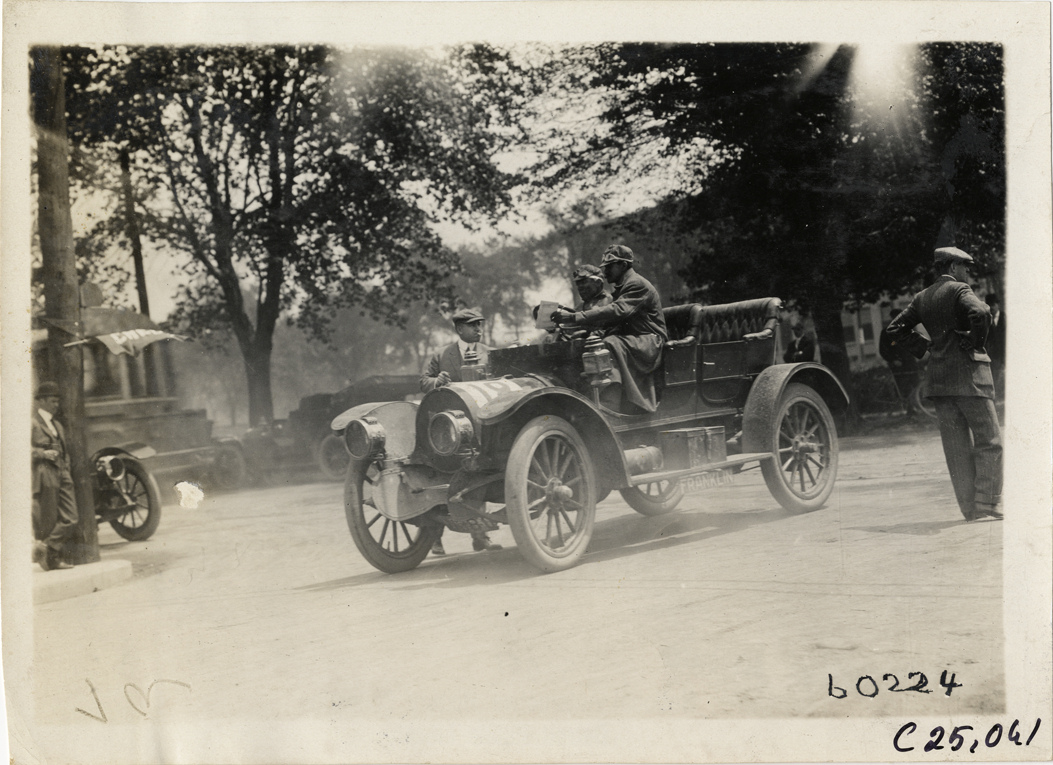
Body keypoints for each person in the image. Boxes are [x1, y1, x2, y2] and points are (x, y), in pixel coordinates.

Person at [885, 246, 1002, 521]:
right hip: (970, 377)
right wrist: (975, 342)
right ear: (952, 268)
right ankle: (987, 503)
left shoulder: (921, 297)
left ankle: (970, 510)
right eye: (965, 267)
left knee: (956, 449)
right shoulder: (960, 290)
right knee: (990, 440)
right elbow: (982, 313)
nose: (968, 273)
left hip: (938, 382)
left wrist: (928, 347)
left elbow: (895, 328)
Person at [418, 308, 502, 555]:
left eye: (480, 325)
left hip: (482, 423)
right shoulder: (442, 355)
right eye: (473, 325)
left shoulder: (491, 354)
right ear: (459, 329)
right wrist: (437, 382)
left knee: (479, 474)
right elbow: (423, 381)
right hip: (449, 428)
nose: (479, 329)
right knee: (442, 476)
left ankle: (480, 537)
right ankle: (434, 539)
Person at [552, 245, 668, 413]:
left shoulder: (636, 284)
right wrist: (584, 331)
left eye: (609, 266)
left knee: (608, 345)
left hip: (650, 341)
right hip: (635, 339)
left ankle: (609, 407)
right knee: (597, 343)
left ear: (623, 265)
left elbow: (616, 311)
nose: (605, 271)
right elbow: (615, 320)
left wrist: (574, 317)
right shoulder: (624, 286)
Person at [31, 381, 78, 570]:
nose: (56, 405)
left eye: (57, 401)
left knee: (71, 517)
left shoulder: (57, 424)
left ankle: (45, 546)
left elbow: (64, 449)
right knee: (49, 518)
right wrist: (43, 454)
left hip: (61, 472)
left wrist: (65, 467)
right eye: (52, 401)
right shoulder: (32, 423)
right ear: (41, 401)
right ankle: (52, 560)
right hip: (45, 472)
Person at [878, 308, 922, 417]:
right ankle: (909, 410)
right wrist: (892, 360)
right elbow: (883, 350)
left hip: (910, 363)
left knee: (916, 384)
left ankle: (913, 407)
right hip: (898, 365)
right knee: (903, 387)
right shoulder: (886, 332)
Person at [985, 293, 1006, 399]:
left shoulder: (1005, 319)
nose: (991, 307)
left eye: (993, 304)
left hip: (1003, 356)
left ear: (998, 304)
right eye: (988, 305)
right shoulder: (986, 320)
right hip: (991, 357)